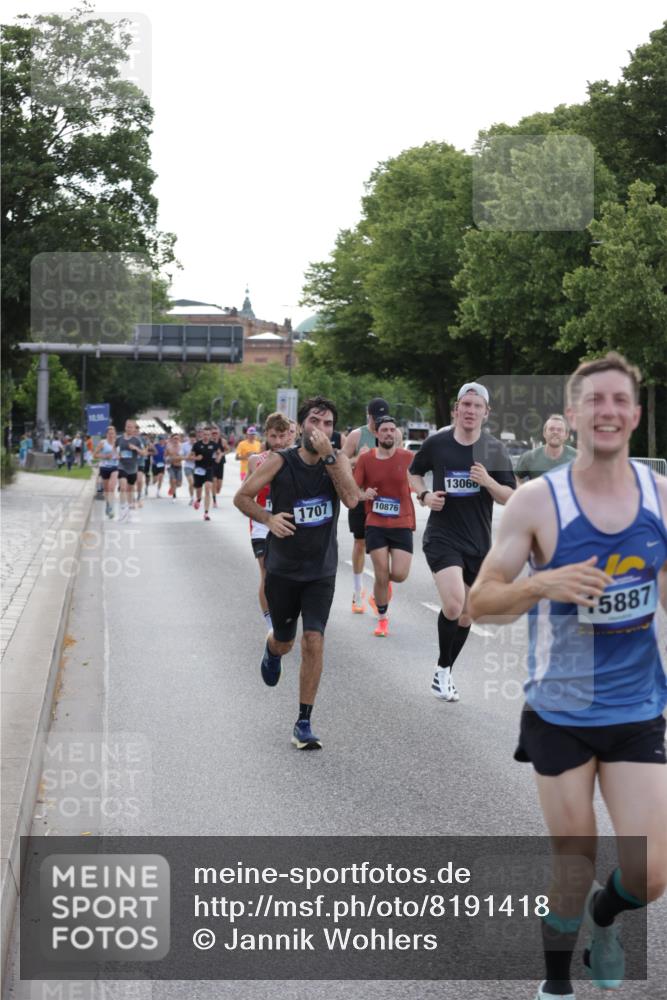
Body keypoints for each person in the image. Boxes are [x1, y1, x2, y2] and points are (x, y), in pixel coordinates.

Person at [468, 352, 667, 1000]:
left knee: (651, 872)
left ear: (634, 415)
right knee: (573, 862)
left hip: (636, 708)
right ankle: (555, 984)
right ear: (573, 413)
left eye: (619, 401)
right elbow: (480, 604)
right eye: (595, 400)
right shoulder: (536, 502)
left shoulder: (660, 497)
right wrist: (544, 582)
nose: (607, 411)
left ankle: (605, 919)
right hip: (560, 710)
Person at [234, 396, 359, 750]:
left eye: (329, 424)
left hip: (321, 569)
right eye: (315, 422)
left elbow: (351, 500)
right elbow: (243, 497)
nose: (321, 429)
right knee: (286, 641)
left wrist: (332, 456)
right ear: (300, 426)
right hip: (284, 569)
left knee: (314, 640)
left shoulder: (337, 461)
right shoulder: (279, 461)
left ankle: (303, 721)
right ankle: (272, 650)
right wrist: (268, 519)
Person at [408, 382, 516, 701]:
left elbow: (509, 496)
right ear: (456, 409)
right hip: (442, 536)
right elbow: (413, 473)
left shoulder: (494, 450)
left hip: (479, 542)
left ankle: (445, 671)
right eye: (465, 405)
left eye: (476, 406)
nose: (470, 411)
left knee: (468, 615)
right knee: (454, 604)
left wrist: (488, 481)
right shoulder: (438, 443)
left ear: (486, 412)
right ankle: (443, 672)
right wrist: (425, 495)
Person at [353, 415, 416, 637]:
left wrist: (423, 493)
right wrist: (364, 494)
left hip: (402, 521)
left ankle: (380, 590)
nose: (389, 433)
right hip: (376, 522)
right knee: (381, 572)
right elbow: (354, 489)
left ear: (396, 434)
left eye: (392, 430)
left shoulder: (408, 458)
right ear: (377, 434)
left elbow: (419, 481)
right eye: (384, 430)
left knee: (398, 574)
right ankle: (382, 619)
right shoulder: (366, 459)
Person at [343, 398, 403, 614]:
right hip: (361, 496)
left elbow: (399, 462)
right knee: (360, 543)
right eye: (374, 419)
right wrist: (359, 458)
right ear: (368, 416)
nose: (378, 424)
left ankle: (381, 590)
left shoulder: (394, 434)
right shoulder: (356, 436)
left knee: (385, 548)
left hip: (386, 498)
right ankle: (358, 591)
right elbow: (340, 462)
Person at [247, 412, 292, 632]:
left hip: (287, 524)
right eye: (273, 436)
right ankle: (270, 625)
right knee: (266, 572)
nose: (278, 442)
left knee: (285, 574)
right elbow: (245, 494)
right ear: (266, 435)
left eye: (282, 436)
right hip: (261, 524)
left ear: (289, 436)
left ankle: (285, 613)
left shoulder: (296, 460)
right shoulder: (257, 460)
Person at [516, 414, 577, 483]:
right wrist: (523, 492)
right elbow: (515, 477)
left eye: (559, 430)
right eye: (551, 429)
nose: (555, 432)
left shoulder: (577, 458)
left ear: (566, 435)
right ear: (544, 433)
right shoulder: (530, 457)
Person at [116, 419, 145, 521]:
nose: (129, 428)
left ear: (134, 429)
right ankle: (122, 509)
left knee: (130, 490)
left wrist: (135, 449)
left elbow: (144, 453)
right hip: (122, 466)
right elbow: (114, 450)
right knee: (123, 487)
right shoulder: (119, 439)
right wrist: (117, 455)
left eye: (131, 427)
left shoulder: (137, 440)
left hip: (132, 468)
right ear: (125, 427)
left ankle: (128, 510)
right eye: (127, 426)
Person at [191, 425, 217, 520]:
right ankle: (198, 500)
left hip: (209, 469)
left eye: (208, 435)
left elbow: (220, 452)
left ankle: (206, 513)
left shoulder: (213, 445)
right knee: (198, 490)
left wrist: (218, 457)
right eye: (204, 434)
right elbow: (191, 457)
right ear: (202, 434)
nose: (206, 436)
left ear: (210, 435)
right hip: (198, 470)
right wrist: (196, 458)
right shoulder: (197, 445)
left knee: (207, 489)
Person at [93, 426, 120, 518]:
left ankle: (111, 508)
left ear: (115, 434)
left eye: (113, 433)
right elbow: (95, 455)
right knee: (107, 490)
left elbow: (122, 455)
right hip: (104, 468)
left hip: (114, 467)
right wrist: (105, 456)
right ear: (106, 434)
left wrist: (119, 457)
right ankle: (108, 505)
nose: (111, 435)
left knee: (112, 488)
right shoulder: (102, 443)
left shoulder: (118, 443)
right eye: (109, 433)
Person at [209, 425, 228, 507]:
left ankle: (215, 492)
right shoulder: (208, 442)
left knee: (219, 487)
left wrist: (221, 454)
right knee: (213, 482)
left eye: (216, 432)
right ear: (211, 433)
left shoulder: (222, 441)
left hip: (220, 464)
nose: (214, 434)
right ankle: (214, 501)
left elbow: (228, 449)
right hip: (211, 464)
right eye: (213, 433)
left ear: (219, 433)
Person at [165, 433, 184, 500]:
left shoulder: (181, 446)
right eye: (175, 438)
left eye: (177, 438)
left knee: (179, 484)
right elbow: (165, 456)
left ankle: (172, 487)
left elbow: (183, 456)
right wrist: (168, 459)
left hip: (179, 466)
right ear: (172, 439)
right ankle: (174, 495)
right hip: (171, 466)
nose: (176, 440)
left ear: (179, 439)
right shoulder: (168, 446)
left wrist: (179, 458)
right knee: (173, 480)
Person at [182, 430, 196, 504]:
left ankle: (197, 497)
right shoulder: (184, 445)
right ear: (189, 438)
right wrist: (188, 457)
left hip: (197, 467)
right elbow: (182, 456)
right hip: (188, 466)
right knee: (191, 482)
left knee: (196, 484)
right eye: (191, 438)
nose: (192, 439)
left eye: (194, 438)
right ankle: (191, 498)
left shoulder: (198, 444)